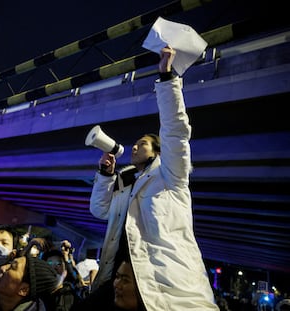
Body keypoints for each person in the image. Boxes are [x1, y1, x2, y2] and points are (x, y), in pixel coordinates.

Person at [87, 47, 219, 310]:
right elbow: (100, 210)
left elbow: (175, 133)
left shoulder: (171, 175)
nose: (135, 147)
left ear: (158, 152)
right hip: (117, 282)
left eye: (142, 143)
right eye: (135, 144)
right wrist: (105, 175)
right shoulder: (126, 185)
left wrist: (168, 80)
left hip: (163, 289)